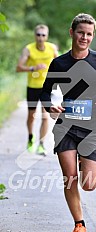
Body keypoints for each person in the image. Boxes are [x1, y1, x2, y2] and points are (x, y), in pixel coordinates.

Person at [40, 13, 96, 232]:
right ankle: (79, 225)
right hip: (66, 126)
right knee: (70, 178)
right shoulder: (59, 62)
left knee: (89, 184)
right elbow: (45, 91)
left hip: (92, 128)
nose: (85, 37)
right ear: (72, 32)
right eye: (81, 32)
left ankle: (86, 159)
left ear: (93, 36)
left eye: (89, 34)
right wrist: (50, 106)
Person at [16, 24, 58, 155]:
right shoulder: (28, 49)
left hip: (46, 88)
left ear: (47, 36)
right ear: (35, 36)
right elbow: (18, 68)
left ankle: (41, 144)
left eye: (43, 35)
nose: (40, 38)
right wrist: (32, 68)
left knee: (45, 117)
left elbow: (60, 64)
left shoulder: (52, 48)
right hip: (33, 87)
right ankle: (30, 138)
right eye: (38, 35)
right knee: (31, 117)